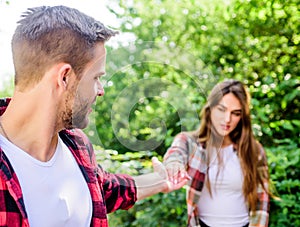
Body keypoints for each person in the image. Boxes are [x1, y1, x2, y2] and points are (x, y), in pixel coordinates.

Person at [0, 5, 188, 227]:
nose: (101, 90)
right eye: (97, 77)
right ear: (65, 77)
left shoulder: (76, 145)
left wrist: (161, 180)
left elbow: (103, 188)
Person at [163, 79, 270, 227]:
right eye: (221, 109)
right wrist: (174, 165)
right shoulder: (190, 142)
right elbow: (176, 153)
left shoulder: (254, 151)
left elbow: (261, 201)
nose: (227, 119)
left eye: (236, 113)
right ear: (210, 108)